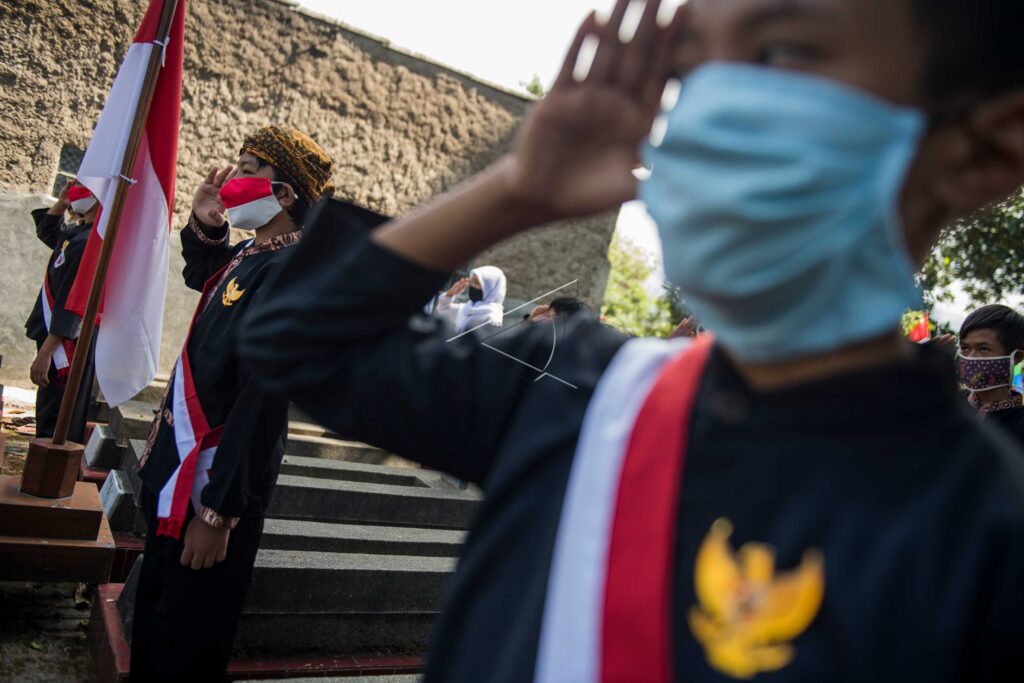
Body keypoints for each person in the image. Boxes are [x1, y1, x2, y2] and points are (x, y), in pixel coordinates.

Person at [241, 2, 1024, 680]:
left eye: (781, 51)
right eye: (691, 69)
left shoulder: (986, 535)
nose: (713, 107)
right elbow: (297, 340)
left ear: (986, 148)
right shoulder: (583, 386)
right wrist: (517, 190)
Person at [130, 126, 336, 681]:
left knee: (185, 638)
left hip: (213, 485)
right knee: (155, 617)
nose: (232, 180)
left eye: (247, 170)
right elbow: (209, 278)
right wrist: (209, 223)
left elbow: (261, 401)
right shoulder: (255, 253)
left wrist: (219, 511)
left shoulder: (293, 274)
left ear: (284, 194)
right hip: (181, 468)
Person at [25, 180, 99, 444]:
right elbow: (48, 231)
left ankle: (48, 466)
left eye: (84, 188)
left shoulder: (90, 242)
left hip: (64, 345)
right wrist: (63, 202)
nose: (76, 192)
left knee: (55, 418)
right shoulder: (79, 232)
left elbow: (73, 303)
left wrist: (47, 352)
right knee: (47, 410)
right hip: (53, 336)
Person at [957, 304, 1024, 445]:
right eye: (965, 348)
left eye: (983, 349)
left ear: (1017, 357)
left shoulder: (1019, 423)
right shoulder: (950, 404)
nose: (971, 357)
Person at [436, 266, 506, 333]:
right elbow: (443, 309)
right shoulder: (467, 308)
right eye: (471, 280)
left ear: (489, 288)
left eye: (476, 282)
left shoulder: (492, 318)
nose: (472, 285)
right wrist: (451, 293)